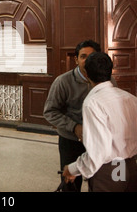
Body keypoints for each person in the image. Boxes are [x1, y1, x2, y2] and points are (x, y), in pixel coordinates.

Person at [63, 52, 137, 192]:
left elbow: (98, 152)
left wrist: (72, 169)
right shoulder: (130, 98)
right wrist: (127, 156)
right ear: (110, 72)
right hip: (131, 169)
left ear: (87, 75)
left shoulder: (93, 103)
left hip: (109, 173)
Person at [43, 39, 103, 191]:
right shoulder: (63, 82)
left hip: (99, 142)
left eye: (92, 57)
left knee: (100, 183)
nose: (87, 61)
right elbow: (50, 112)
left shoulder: (108, 81)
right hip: (71, 141)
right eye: (83, 57)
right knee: (70, 185)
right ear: (76, 59)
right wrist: (74, 127)